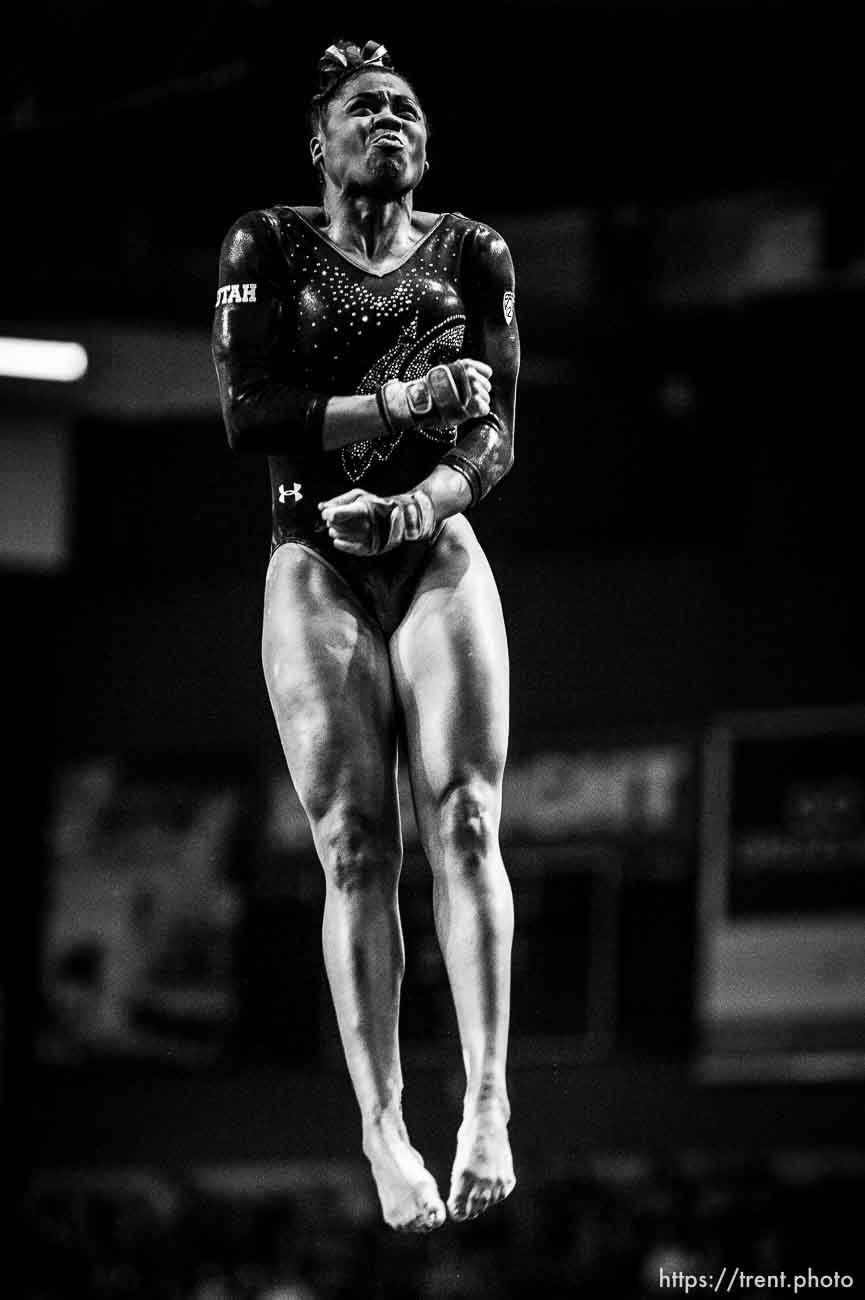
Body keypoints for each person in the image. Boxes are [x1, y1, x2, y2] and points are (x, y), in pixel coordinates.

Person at [212, 38, 520, 1233]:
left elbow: (495, 438)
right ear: (318, 143)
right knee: (355, 839)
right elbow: (250, 418)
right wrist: (394, 405)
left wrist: (417, 499)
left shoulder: (471, 252)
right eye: (363, 108)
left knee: (468, 814)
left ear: (427, 144)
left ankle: (487, 1097)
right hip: (314, 560)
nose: (388, 121)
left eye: (406, 109)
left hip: (428, 546)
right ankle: (383, 1124)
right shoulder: (266, 245)